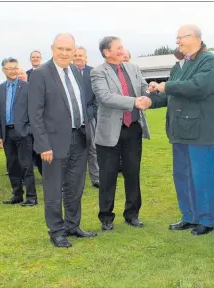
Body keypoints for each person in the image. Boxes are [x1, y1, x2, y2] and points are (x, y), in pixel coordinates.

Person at [150, 25, 214, 235]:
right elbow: (172, 95)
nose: (177, 42)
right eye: (177, 38)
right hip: (179, 129)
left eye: (180, 37)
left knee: (201, 176)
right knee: (182, 175)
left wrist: (166, 86)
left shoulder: (208, 61)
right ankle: (189, 216)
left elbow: (197, 87)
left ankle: (206, 220)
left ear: (194, 38)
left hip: (199, 130)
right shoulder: (180, 65)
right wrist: (151, 100)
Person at [29, 33, 97, 248]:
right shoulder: (40, 74)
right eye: (61, 49)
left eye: (69, 50)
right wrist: (43, 145)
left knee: (75, 187)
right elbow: (35, 113)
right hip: (53, 144)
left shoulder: (76, 72)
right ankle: (57, 231)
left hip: (79, 138)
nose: (65, 53)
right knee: (53, 189)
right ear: (52, 48)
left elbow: (81, 104)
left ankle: (72, 225)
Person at [90, 36, 151, 231]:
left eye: (123, 46)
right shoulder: (97, 72)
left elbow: (143, 88)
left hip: (132, 128)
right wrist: (134, 102)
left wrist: (148, 96)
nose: (122, 50)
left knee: (133, 173)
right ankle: (106, 217)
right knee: (108, 176)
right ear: (106, 52)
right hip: (109, 133)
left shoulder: (133, 68)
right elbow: (105, 97)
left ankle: (132, 214)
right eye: (118, 47)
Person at [0, 57, 37, 207]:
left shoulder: (27, 87)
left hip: (23, 132)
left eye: (15, 68)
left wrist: (29, 129)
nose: (13, 71)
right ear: (3, 70)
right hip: (7, 133)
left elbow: (35, 110)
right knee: (12, 165)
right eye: (9, 68)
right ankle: (17, 194)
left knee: (26, 165)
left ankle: (31, 197)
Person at [73, 46, 99, 188]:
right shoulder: (67, 72)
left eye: (80, 55)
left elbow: (97, 95)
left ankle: (96, 178)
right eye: (75, 55)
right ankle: (76, 180)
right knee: (75, 150)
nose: (78, 57)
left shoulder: (93, 72)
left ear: (86, 57)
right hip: (71, 118)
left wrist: (93, 113)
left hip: (89, 116)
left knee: (92, 148)